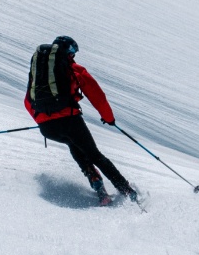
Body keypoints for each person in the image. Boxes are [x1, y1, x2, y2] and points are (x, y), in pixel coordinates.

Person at [24, 35, 138, 206]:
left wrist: (42, 119)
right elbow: (97, 95)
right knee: (95, 155)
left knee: (74, 144)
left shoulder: (38, 72)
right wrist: (109, 118)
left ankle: (95, 180)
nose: (73, 55)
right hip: (70, 121)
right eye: (72, 51)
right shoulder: (74, 69)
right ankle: (127, 191)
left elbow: (28, 101)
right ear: (65, 50)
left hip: (47, 128)